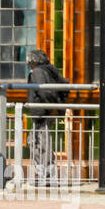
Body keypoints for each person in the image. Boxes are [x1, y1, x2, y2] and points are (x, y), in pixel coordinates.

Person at [26, 49, 68, 186]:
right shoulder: (50, 71)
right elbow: (63, 85)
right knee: (39, 141)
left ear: (33, 61)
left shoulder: (38, 72)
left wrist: (49, 106)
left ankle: (46, 175)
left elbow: (43, 90)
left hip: (41, 112)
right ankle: (47, 174)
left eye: (29, 62)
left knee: (38, 142)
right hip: (45, 111)